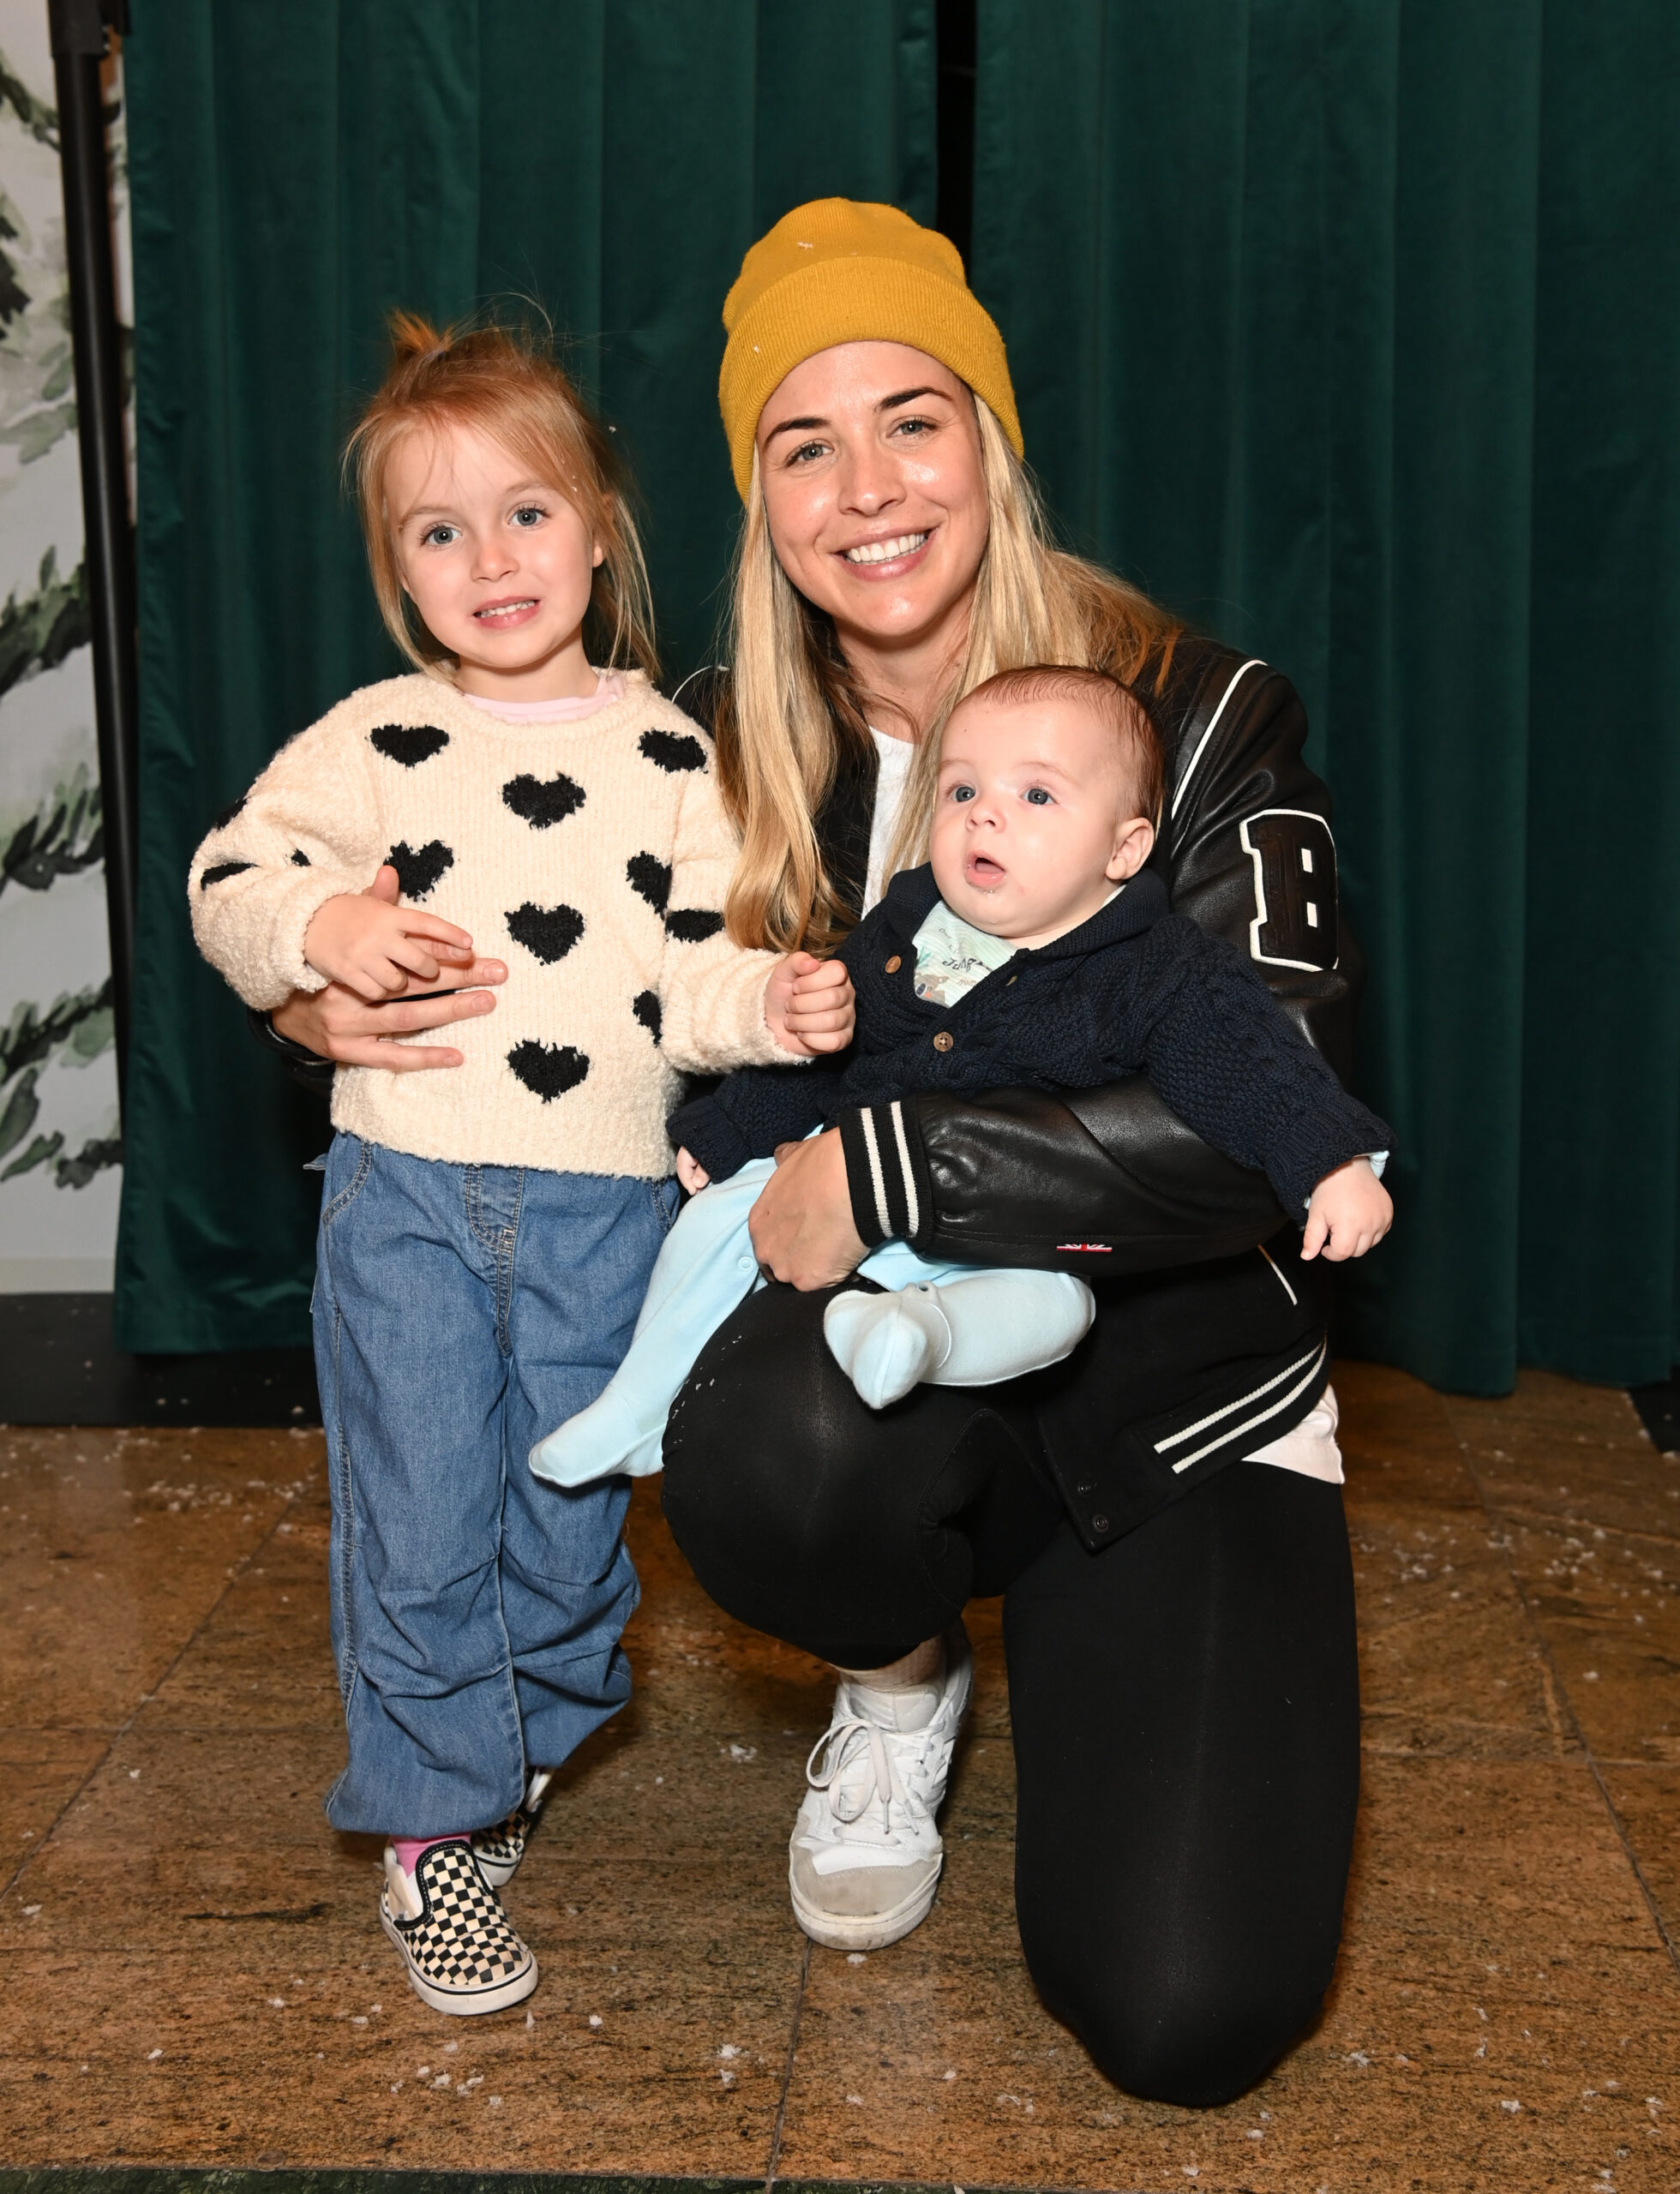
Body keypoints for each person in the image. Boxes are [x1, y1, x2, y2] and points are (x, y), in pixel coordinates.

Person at [258, 198, 1376, 2107]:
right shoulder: (695, 748)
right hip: (873, 1389)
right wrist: (313, 1003)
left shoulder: (1198, 719)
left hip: (1175, 1404)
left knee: (1184, 2016)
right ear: (756, 498)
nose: (865, 488)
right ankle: (894, 1675)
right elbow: (545, 992)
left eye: (911, 420)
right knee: (761, 1444)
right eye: (803, 443)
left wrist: (894, 1175)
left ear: (988, 442)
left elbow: (1261, 1107)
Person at [189, 315, 851, 2017]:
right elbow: (230, 876)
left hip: (606, 1208)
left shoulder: (674, 756)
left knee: (565, 1528)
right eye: (439, 529)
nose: (489, 558)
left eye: (526, 512)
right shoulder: (376, 737)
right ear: (397, 572)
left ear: (600, 529)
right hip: (405, 1194)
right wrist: (317, 928)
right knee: (418, 1524)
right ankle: (436, 1823)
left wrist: (770, 1003)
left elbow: (689, 982)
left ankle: (520, 1740)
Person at [533, 664, 1389, 1495]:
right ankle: (637, 1405)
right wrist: (730, 1131)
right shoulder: (908, 930)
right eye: (961, 790)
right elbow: (827, 1053)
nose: (985, 815)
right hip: (836, 1200)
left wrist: (1329, 1162)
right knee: (712, 1222)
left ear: (1124, 847)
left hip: (1007, 1241)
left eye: (1037, 795)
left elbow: (1250, 1069)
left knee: (1054, 1313)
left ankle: (913, 1337)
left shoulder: (1157, 968)